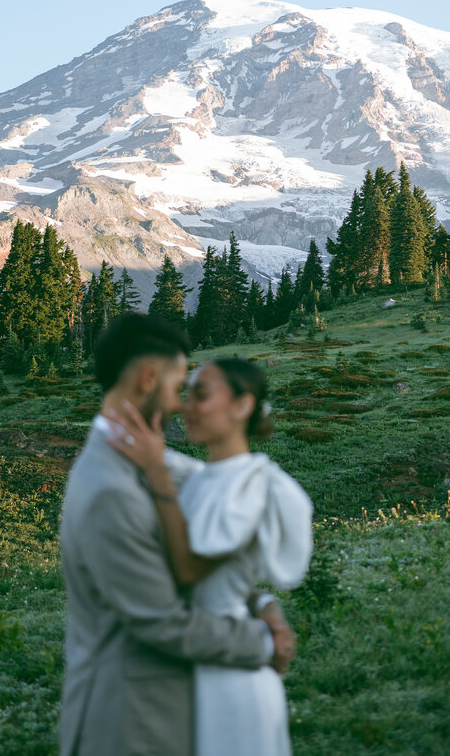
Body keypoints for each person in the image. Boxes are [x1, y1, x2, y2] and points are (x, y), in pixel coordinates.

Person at [59, 314, 296, 756]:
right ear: (148, 379)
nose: (180, 404)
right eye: (176, 387)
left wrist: (260, 603)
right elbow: (160, 620)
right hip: (133, 722)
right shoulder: (109, 489)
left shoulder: (152, 462)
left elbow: (207, 548)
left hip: (176, 712)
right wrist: (264, 641)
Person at [106, 356, 313, 756]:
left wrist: (157, 474)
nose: (187, 407)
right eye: (187, 394)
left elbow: (188, 571)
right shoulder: (201, 478)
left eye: (201, 394)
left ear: (242, 405)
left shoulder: (254, 485)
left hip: (231, 677)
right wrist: (265, 603)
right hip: (190, 666)